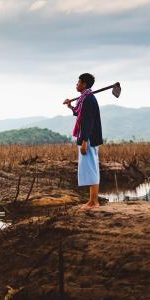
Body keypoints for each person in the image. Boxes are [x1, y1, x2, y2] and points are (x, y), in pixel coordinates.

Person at [63, 73, 103, 210]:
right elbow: (80, 114)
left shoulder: (88, 99)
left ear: (84, 84)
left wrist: (85, 141)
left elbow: (88, 121)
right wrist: (70, 106)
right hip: (88, 137)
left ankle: (94, 202)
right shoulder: (84, 98)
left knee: (91, 168)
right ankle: (92, 201)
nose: (76, 84)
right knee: (91, 167)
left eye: (78, 82)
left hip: (89, 138)